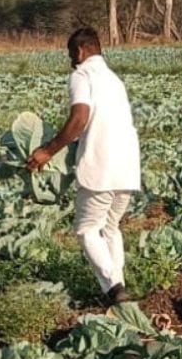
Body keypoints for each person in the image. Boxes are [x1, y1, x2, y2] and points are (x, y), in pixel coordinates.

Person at [27, 27, 141, 306]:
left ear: (80, 51)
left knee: (86, 228)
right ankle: (119, 286)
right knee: (111, 228)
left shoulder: (82, 75)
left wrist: (47, 151)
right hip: (127, 166)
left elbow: (80, 118)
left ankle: (113, 288)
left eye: (70, 54)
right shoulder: (114, 79)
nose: (70, 61)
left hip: (101, 164)